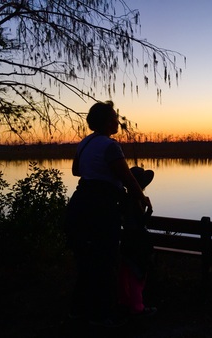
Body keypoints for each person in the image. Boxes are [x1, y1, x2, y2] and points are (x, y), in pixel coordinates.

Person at [64, 101, 152, 328]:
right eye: (115, 117)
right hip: (100, 208)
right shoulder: (110, 146)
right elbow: (128, 178)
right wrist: (142, 198)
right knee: (105, 261)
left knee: (86, 261)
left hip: (80, 202)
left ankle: (78, 311)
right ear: (105, 121)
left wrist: (96, 169)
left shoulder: (85, 143)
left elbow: (76, 171)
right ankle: (100, 317)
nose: (118, 121)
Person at [118, 166, 157, 317]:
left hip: (125, 241)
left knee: (126, 271)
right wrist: (149, 210)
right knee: (138, 273)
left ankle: (124, 300)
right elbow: (141, 224)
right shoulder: (137, 202)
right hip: (137, 243)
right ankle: (137, 306)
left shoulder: (123, 199)